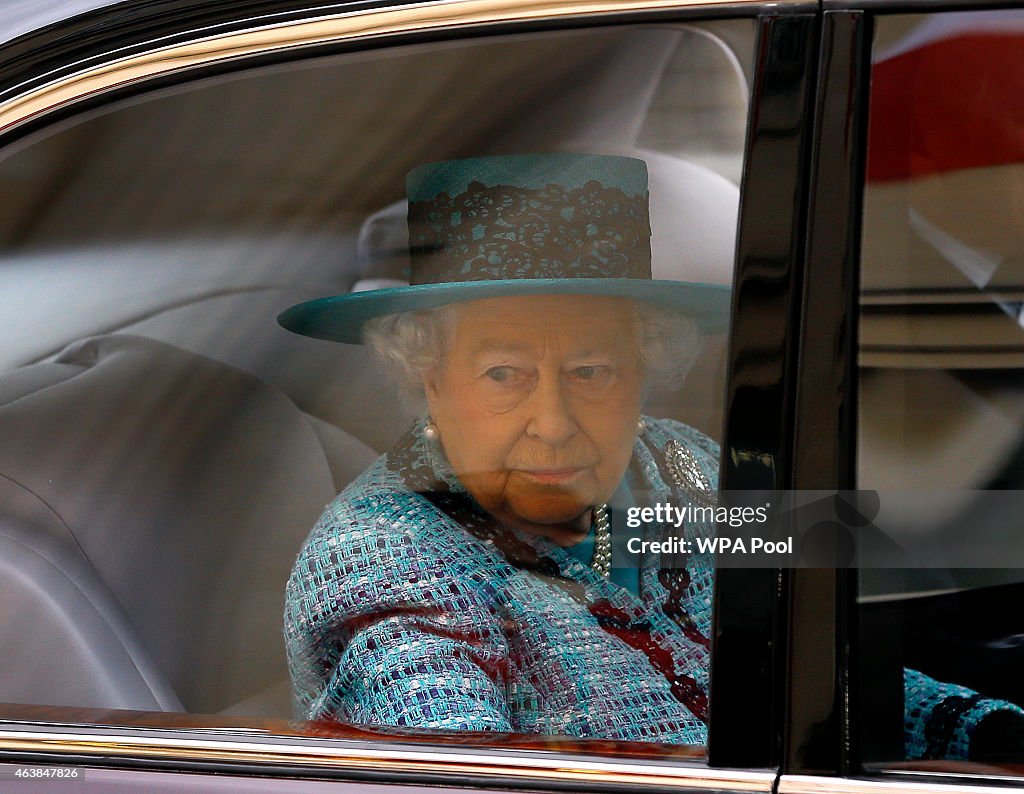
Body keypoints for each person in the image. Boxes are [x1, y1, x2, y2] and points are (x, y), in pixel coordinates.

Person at [280, 153, 1023, 756]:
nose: (553, 421)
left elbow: (818, 671)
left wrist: (987, 730)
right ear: (430, 379)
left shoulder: (677, 463)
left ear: (644, 370)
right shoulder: (384, 569)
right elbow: (467, 777)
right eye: (504, 374)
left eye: (592, 371)